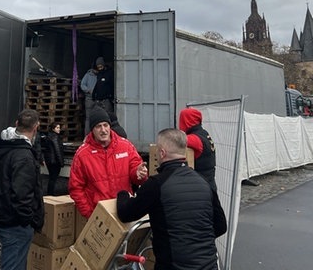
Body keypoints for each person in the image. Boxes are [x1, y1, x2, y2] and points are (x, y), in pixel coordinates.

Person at [117, 128, 227, 270]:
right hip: (209, 266)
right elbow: (221, 226)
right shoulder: (204, 182)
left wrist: (122, 194)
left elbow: (126, 213)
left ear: (162, 153)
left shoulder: (156, 184)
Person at [0, 109, 44, 270]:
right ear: (36, 127)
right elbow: (22, 195)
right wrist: (27, 220)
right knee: (14, 264)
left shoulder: (6, 147)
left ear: (16, 124)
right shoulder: (24, 156)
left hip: (3, 216)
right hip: (15, 223)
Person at [68, 108, 148, 218]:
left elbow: (136, 172)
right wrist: (88, 213)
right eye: (98, 126)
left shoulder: (126, 146)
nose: (103, 130)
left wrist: (139, 174)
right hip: (99, 213)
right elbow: (76, 188)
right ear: (92, 130)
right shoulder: (82, 154)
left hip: (124, 209)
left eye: (106, 125)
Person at [178, 107, 217, 191]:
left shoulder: (193, 139)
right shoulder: (204, 133)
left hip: (201, 186)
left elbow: (173, 141)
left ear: (186, 121)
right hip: (209, 182)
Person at [43, 121, 65, 195]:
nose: (59, 129)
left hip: (49, 161)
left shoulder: (48, 136)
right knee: (53, 178)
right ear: (53, 129)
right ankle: (51, 193)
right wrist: (61, 162)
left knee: (51, 177)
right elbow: (57, 150)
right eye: (57, 128)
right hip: (55, 161)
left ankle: (50, 192)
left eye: (59, 128)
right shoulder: (55, 137)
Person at [80, 59, 100, 134]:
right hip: (89, 99)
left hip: (98, 99)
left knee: (98, 117)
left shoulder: (100, 75)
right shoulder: (88, 75)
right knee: (88, 118)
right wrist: (88, 90)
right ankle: (87, 135)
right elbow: (82, 85)